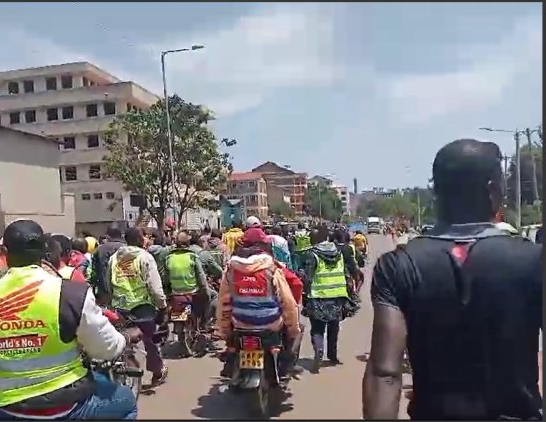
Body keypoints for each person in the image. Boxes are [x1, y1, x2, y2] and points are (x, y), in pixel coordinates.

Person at [363, 139, 543, 420]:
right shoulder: (534, 261)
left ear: (436, 193)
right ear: (494, 192)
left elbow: (384, 373)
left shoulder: (398, 265)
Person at [0, 220, 140, 419]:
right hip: (64, 405)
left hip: (3, 407)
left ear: (4, 253)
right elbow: (106, 348)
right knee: (126, 401)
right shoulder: (71, 293)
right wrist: (125, 338)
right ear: (45, 251)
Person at [216, 227, 303, 377]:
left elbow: (223, 302)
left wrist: (224, 331)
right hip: (270, 325)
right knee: (294, 333)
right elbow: (287, 303)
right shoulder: (272, 267)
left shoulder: (231, 268)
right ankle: (286, 365)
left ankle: (231, 362)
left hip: (240, 324)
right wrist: (293, 329)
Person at [106, 227, 169, 386]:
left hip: (120, 307)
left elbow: (109, 283)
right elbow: (155, 286)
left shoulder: (114, 258)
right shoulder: (145, 257)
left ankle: (126, 369)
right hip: (143, 307)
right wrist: (162, 306)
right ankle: (157, 372)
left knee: (124, 342)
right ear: (140, 239)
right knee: (150, 341)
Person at [302, 226, 351, 372]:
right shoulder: (339, 252)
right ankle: (332, 355)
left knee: (317, 328)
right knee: (333, 327)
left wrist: (305, 294)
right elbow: (345, 272)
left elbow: (309, 278)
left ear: (316, 239)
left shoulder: (312, 254)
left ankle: (319, 349)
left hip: (318, 296)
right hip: (337, 296)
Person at [163, 232, 210, 328]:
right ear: (188, 243)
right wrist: (205, 291)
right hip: (192, 294)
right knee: (210, 299)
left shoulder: (169, 258)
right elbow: (201, 276)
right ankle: (203, 323)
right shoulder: (192, 257)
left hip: (175, 294)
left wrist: (167, 293)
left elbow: (166, 279)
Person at [188, 232, 222, 329]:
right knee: (215, 296)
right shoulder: (203, 254)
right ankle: (207, 321)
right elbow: (217, 270)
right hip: (197, 287)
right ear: (201, 242)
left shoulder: (178, 253)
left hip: (177, 289)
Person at [90, 227, 125, 303]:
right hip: (125, 285)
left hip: (104, 287)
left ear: (108, 236)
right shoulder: (127, 247)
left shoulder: (101, 249)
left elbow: (95, 268)